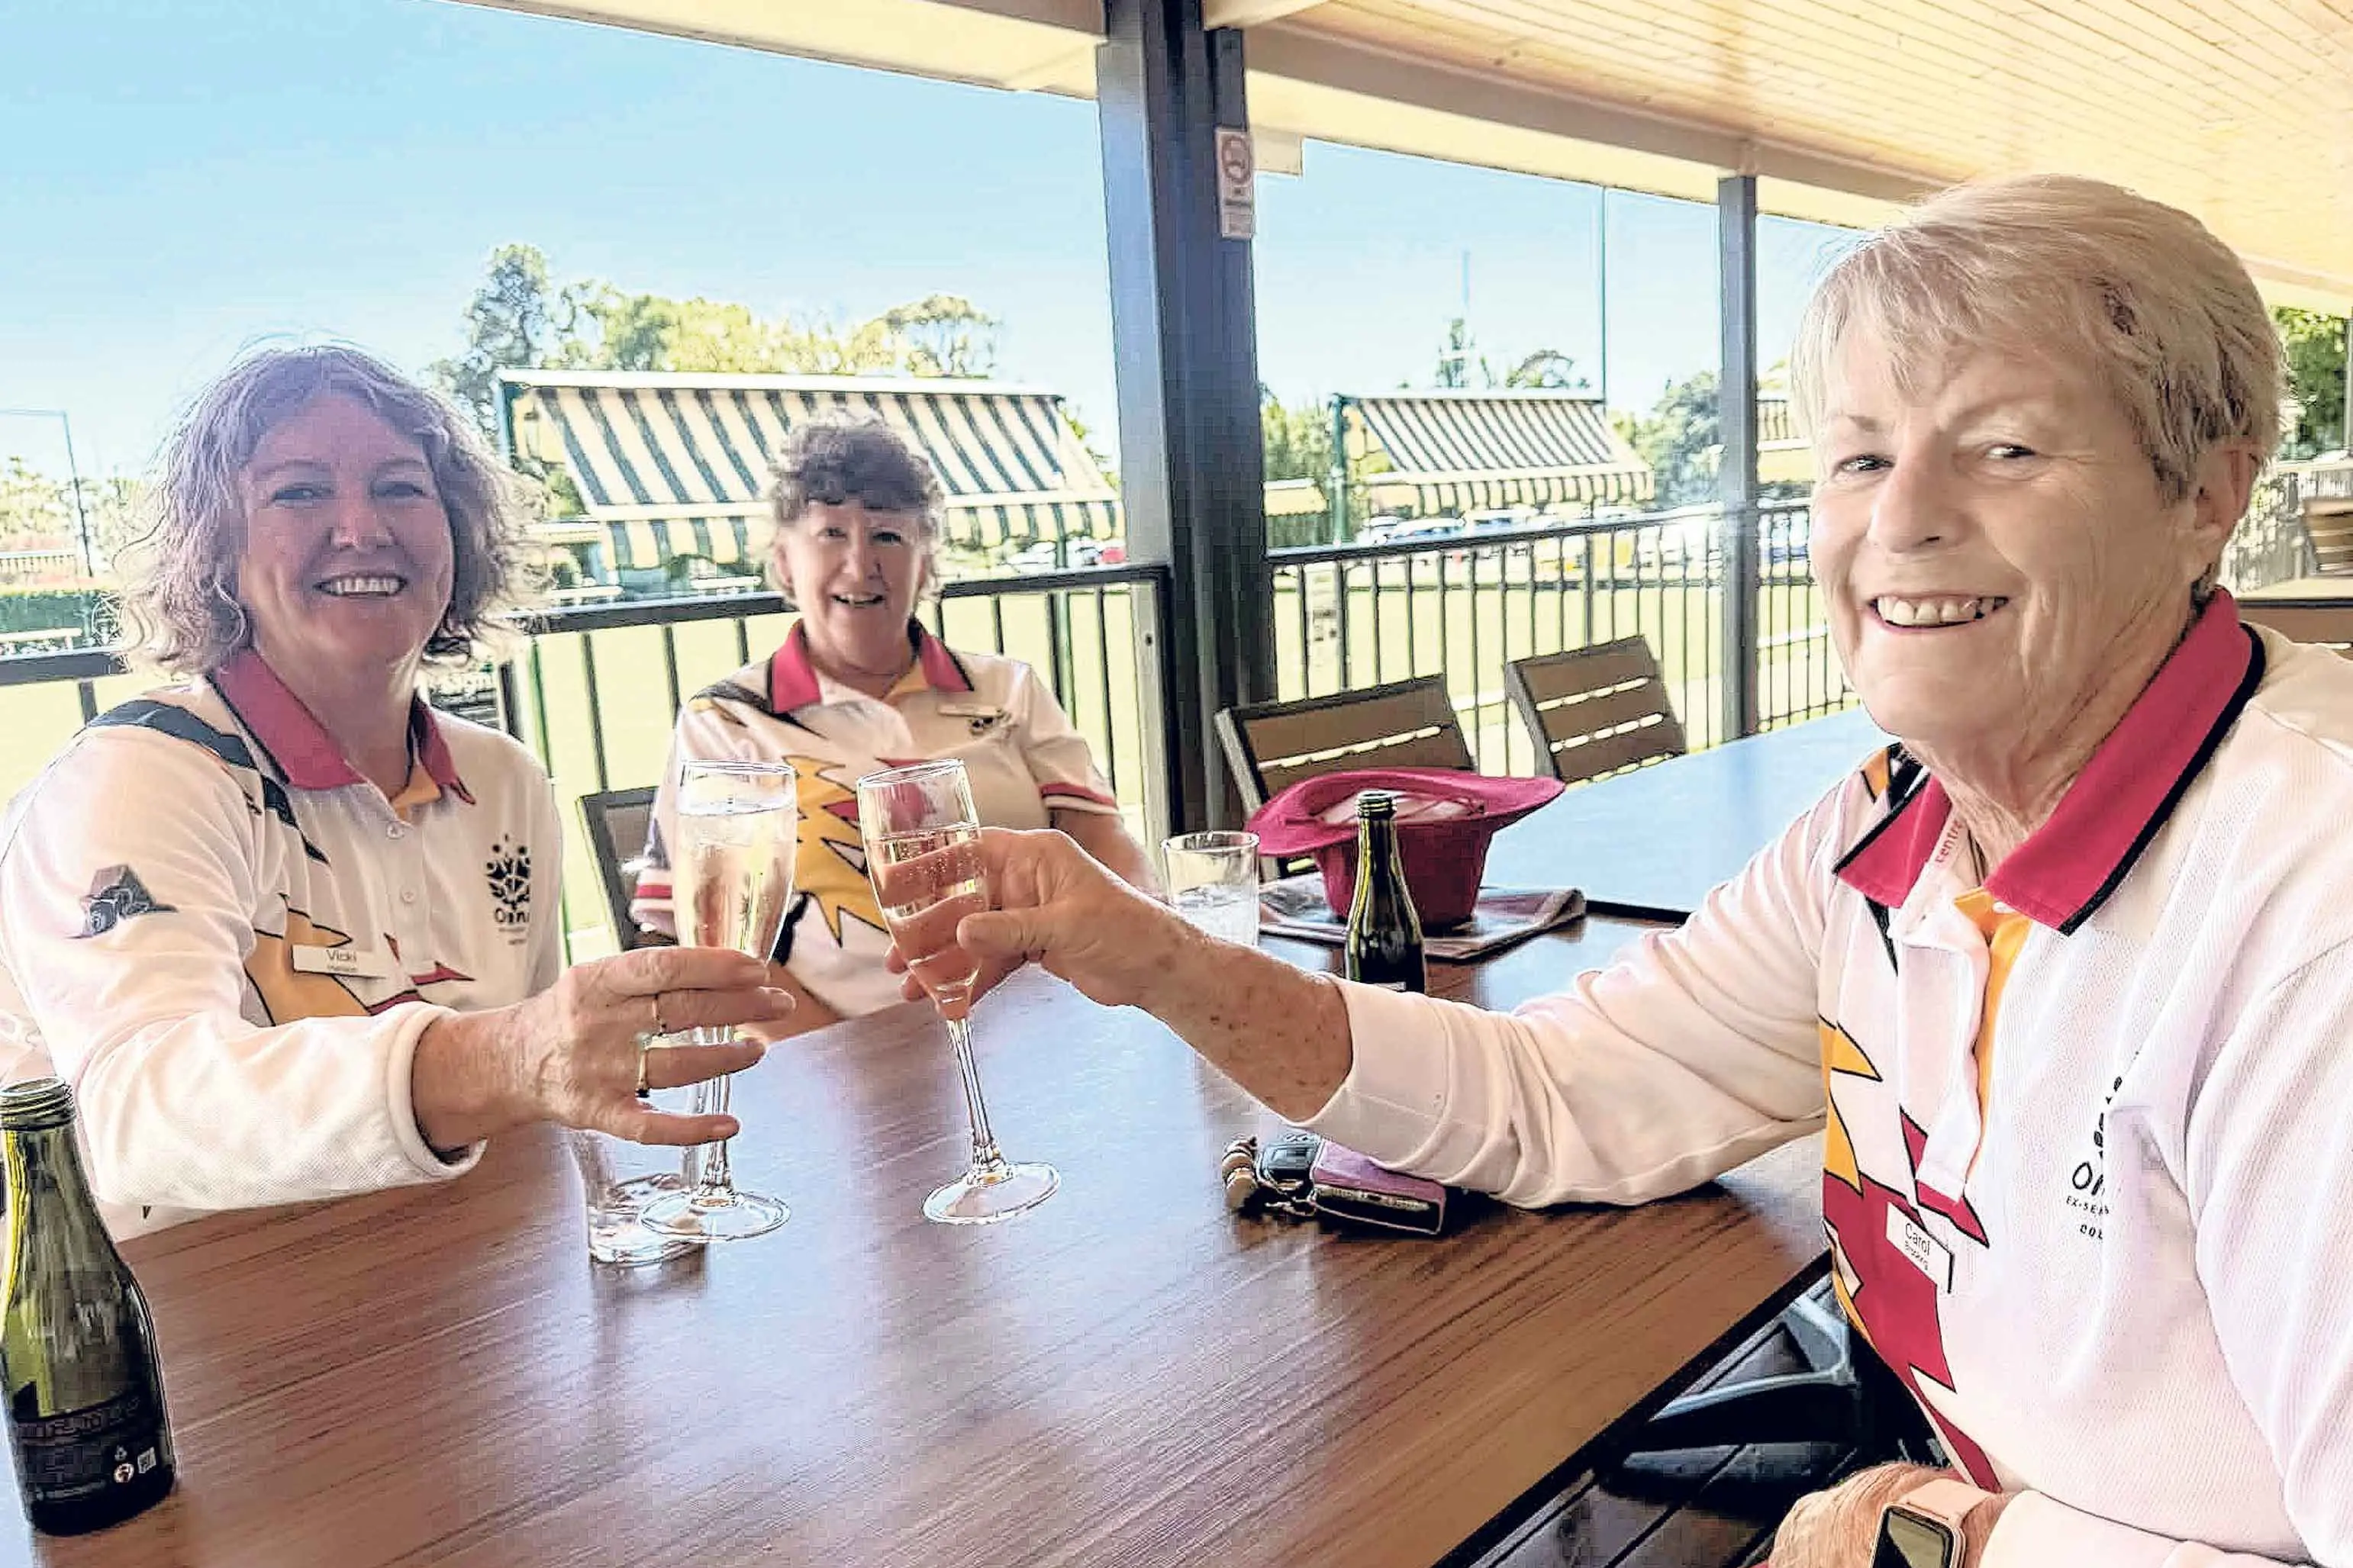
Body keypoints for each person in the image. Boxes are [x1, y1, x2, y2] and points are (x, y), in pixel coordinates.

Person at [888, 177, 2352, 1567]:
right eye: (1854, 455)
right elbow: (1557, 1094)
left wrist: (1939, 1540)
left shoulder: (2303, 904)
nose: (1897, 518)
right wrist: (1155, 959)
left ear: (2205, 497)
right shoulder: (1888, 836)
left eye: (2005, 447)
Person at [0, 346, 793, 1239]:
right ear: (217, 551)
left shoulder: (503, 783)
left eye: (402, 487)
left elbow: (517, 1118)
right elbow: (129, 1114)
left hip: (447, 1287)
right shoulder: (142, 774)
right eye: (298, 492)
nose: (361, 526)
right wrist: (506, 1057)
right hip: (171, 1333)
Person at [630, 416, 1154, 1029]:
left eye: (886, 535)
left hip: (1046, 1028)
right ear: (783, 562)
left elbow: (1107, 850)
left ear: (925, 562)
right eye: (830, 533)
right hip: (833, 1065)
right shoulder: (727, 720)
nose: (859, 565)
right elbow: (714, 942)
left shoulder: (1009, 688)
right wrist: (856, 1064)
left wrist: (1135, 967)